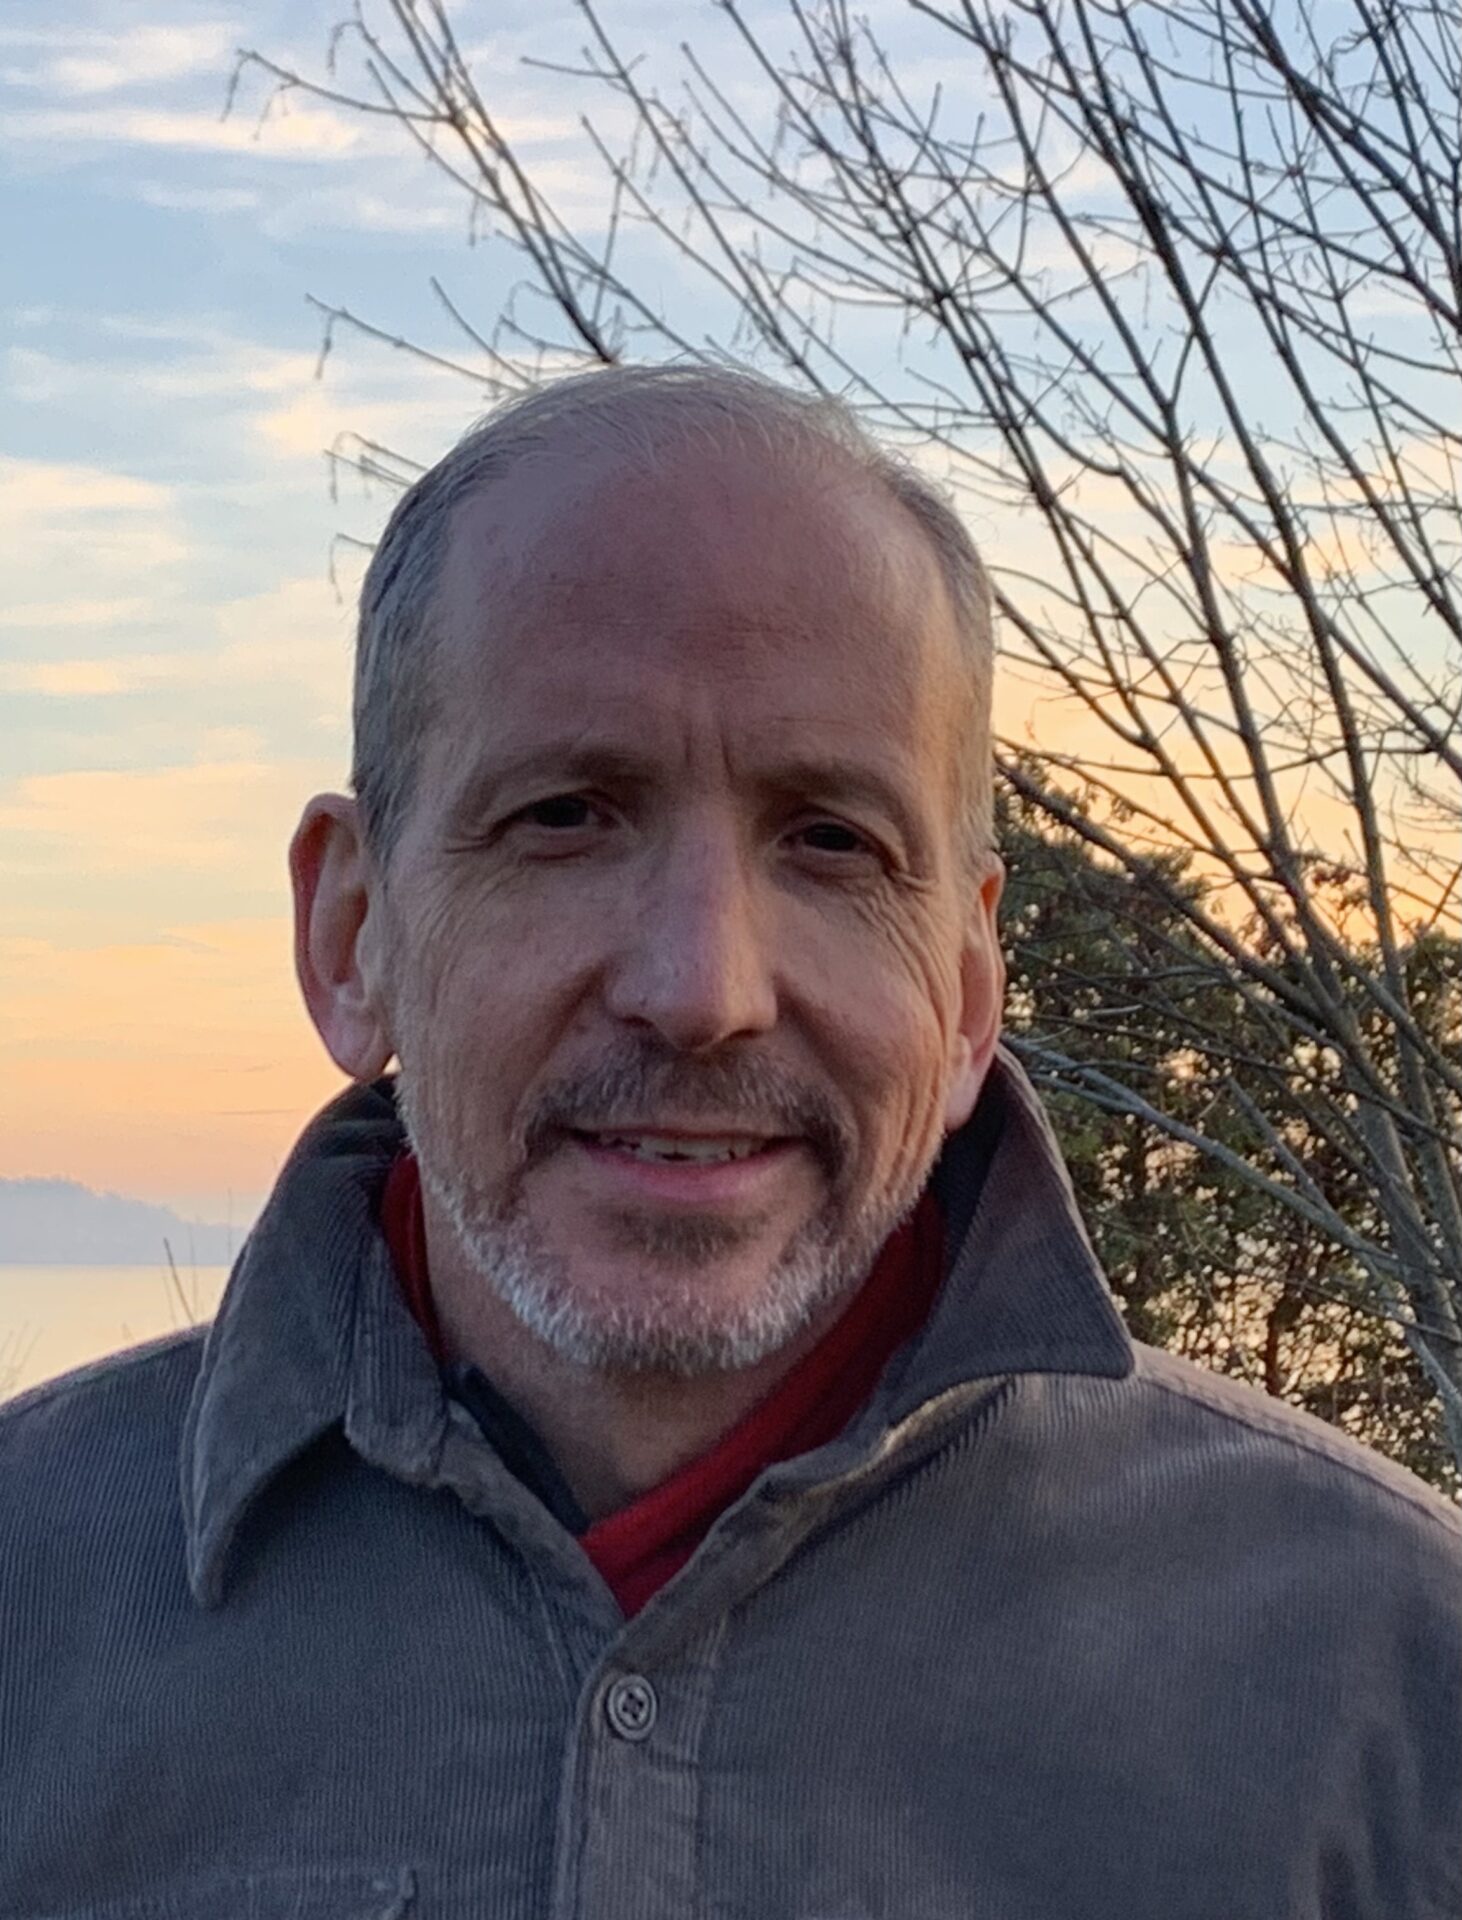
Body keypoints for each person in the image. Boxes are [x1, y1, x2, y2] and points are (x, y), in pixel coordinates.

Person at [2, 365, 1458, 1919]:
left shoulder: (1384, 1678)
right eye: (566, 815)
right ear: (353, 933)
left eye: (831, 840)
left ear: (967, 989)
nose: (700, 989)